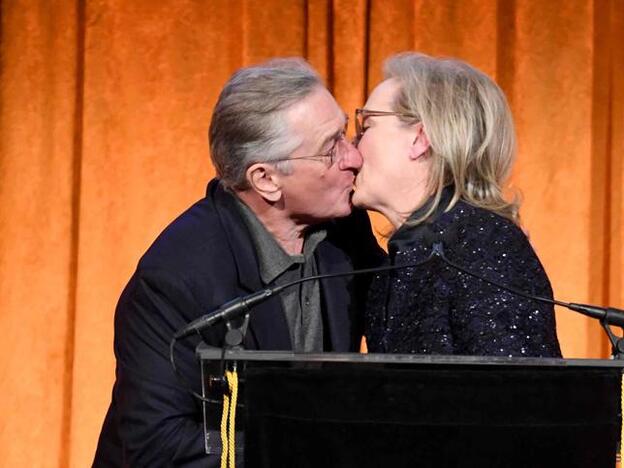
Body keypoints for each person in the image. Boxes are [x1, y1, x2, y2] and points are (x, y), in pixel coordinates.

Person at [93, 58, 384, 467]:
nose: (353, 158)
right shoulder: (175, 278)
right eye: (329, 148)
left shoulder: (346, 227)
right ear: (266, 179)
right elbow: (157, 447)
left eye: (345, 134)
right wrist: (306, 444)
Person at [352, 52, 561, 357]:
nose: (354, 143)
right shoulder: (398, 262)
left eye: (366, 125)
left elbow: (522, 394)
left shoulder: (484, 241)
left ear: (420, 138)